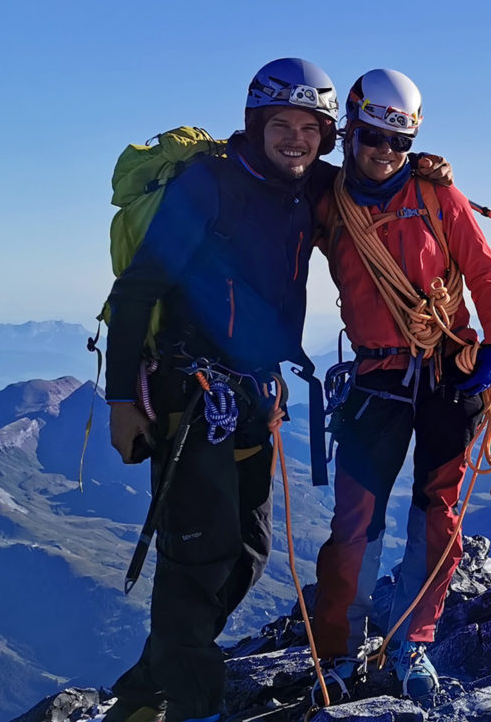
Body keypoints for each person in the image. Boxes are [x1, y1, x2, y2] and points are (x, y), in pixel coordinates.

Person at [102, 58, 342, 722]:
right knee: (198, 556)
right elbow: (138, 289)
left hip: (253, 397)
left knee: (247, 552)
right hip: (190, 396)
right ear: (257, 123)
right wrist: (121, 399)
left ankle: (146, 688)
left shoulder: (310, 185)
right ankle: (191, 706)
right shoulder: (210, 187)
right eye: (282, 124)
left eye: (310, 126)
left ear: (324, 134)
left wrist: (426, 167)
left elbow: (383, 180)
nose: (296, 138)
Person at [308, 69, 491, 700]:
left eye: (399, 143)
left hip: (446, 369)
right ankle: (340, 653)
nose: (384, 153)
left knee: (438, 515)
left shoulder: (434, 196)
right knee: (355, 522)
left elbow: (484, 271)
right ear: (350, 130)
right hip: (376, 375)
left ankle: (412, 641)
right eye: (373, 137)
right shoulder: (327, 201)